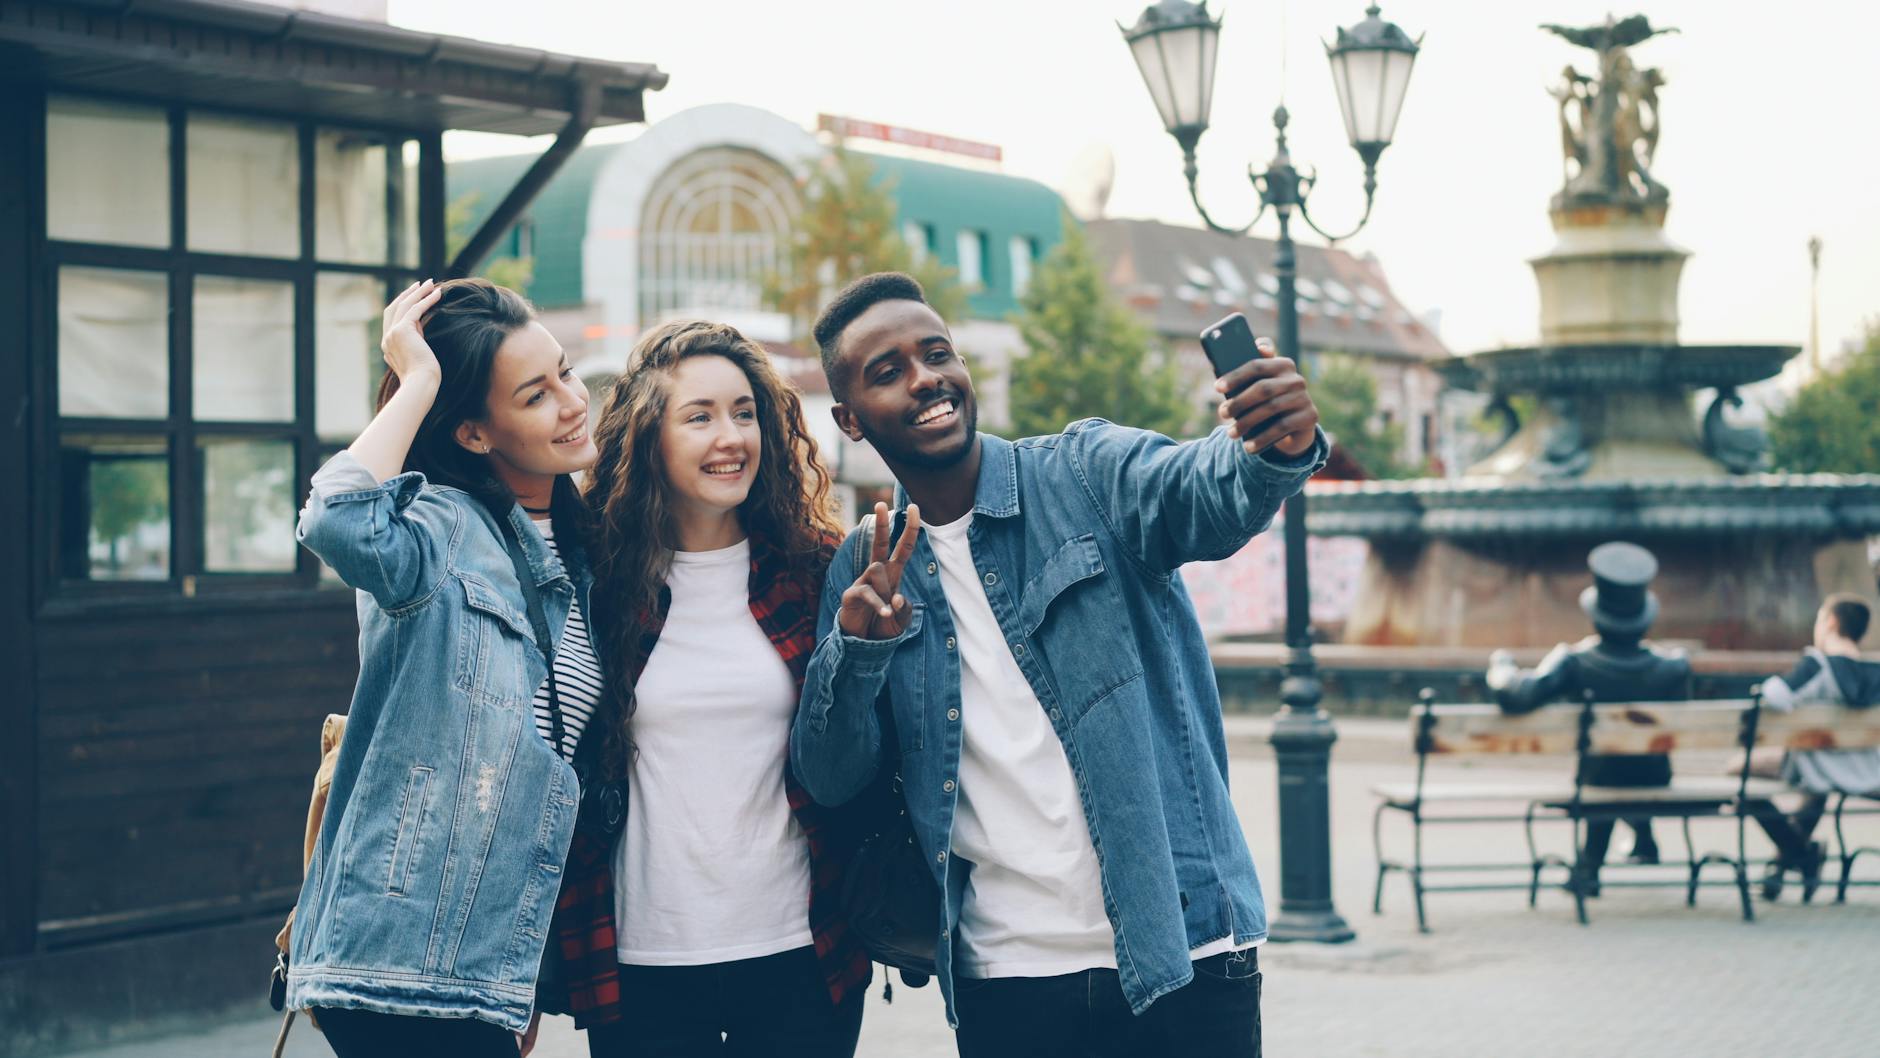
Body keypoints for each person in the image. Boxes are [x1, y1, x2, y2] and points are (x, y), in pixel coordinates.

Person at [791, 272, 1326, 1057]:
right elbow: (831, 776)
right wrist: (861, 650)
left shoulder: (1084, 471)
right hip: (1003, 974)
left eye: (937, 354)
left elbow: (1199, 492)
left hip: (1181, 949)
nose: (926, 378)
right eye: (887, 371)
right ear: (850, 420)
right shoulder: (864, 571)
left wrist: (1268, 446)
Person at [291, 278, 602, 1057]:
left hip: (485, 963)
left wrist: (519, 970)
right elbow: (335, 517)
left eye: (566, 371)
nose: (572, 402)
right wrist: (417, 379)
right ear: (472, 432)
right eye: (537, 395)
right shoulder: (439, 527)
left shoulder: (581, 546)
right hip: (399, 960)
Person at [560, 321, 871, 1057]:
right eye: (699, 416)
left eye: (744, 412)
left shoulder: (816, 567)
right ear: (648, 436)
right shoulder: (592, 578)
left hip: (803, 949)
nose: (730, 436)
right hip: (642, 961)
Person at [1486, 541, 1692, 896]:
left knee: (1606, 769)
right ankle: (1639, 843)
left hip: (1598, 780)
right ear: (1644, 614)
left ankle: (1588, 870)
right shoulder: (1673, 667)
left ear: (1596, 613)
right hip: (1655, 776)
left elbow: (1517, 696)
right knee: (1629, 759)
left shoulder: (1574, 662)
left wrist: (1500, 667)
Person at [1755, 594, 1880, 901]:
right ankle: (1786, 864)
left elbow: (1775, 695)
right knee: (1813, 795)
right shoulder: (1875, 672)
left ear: (1831, 623)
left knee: (1742, 779)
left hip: (1818, 769)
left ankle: (1797, 855)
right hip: (1868, 771)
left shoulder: (1817, 665)